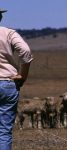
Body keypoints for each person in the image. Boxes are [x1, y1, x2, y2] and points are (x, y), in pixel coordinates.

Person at [0, 9, 33, 149]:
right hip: (7, 83)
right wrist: (23, 75)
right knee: (4, 131)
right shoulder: (8, 33)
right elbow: (25, 51)